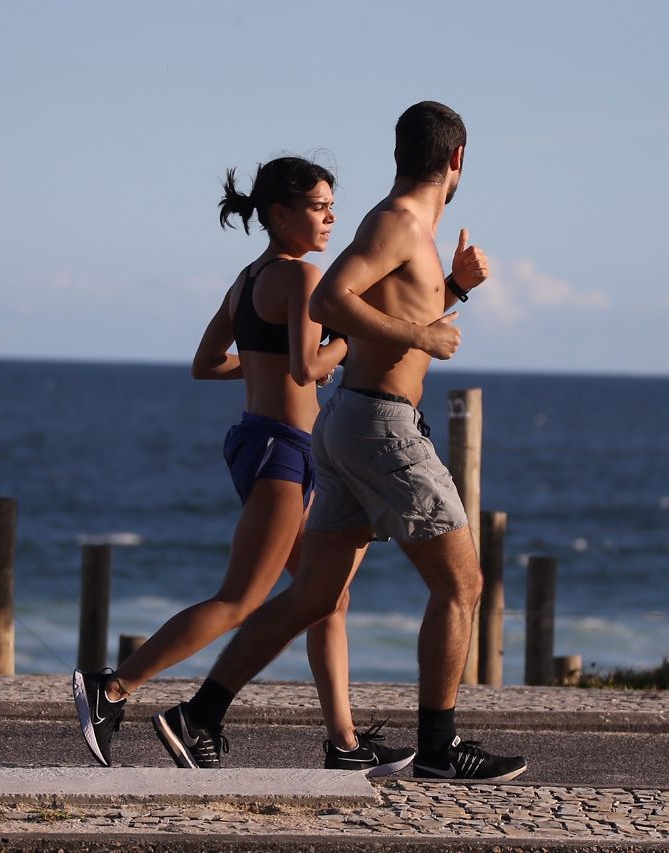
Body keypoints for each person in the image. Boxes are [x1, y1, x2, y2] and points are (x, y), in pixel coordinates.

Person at [152, 102, 527, 782]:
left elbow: (387, 311)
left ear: (398, 155)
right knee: (463, 584)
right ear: (457, 161)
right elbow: (333, 302)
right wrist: (426, 336)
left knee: (315, 596)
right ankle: (439, 748)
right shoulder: (399, 223)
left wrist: (454, 292)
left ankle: (200, 713)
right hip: (381, 427)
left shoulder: (406, 229)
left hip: (353, 421)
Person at [73, 156, 416, 778]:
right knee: (241, 597)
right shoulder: (303, 277)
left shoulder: (247, 278)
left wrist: (266, 363)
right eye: (318, 206)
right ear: (279, 214)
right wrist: (351, 344)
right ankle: (112, 688)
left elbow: (207, 363)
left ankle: (343, 741)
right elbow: (308, 370)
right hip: (284, 449)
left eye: (333, 205)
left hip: (264, 442)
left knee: (326, 597)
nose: (331, 217)